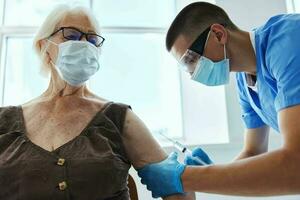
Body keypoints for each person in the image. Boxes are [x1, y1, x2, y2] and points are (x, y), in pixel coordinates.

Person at [0, 5, 195, 200]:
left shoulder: (118, 118)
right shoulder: (5, 122)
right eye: (71, 35)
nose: (85, 44)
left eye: (92, 39)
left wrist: (192, 177)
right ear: (44, 46)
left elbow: (179, 194)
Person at [137, 2, 300, 198]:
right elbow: (253, 151)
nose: (191, 73)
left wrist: (185, 177)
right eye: (185, 66)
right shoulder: (245, 82)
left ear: (218, 34)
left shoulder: (288, 41)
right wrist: (214, 170)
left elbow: (295, 164)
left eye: (190, 60)